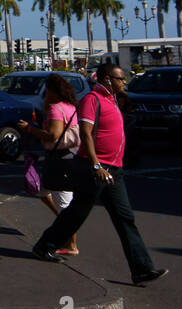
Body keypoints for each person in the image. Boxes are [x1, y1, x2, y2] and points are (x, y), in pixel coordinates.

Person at [32, 64, 168, 285]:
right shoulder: (92, 100)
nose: (124, 82)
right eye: (120, 79)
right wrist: (96, 166)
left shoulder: (112, 100)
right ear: (106, 79)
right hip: (94, 168)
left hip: (114, 170)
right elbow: (85, 133)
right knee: (77, 213)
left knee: (125, 218)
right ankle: (44, 246)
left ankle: (141, 268)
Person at [17, 72, 81, 256]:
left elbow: (53, 135)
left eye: (47, 91)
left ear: (53, 91)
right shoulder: (70, 106)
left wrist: (30, 129)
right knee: (43, 192)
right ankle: (64, 229)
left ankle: (71, 244)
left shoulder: (55, 109)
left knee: (64, 203)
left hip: (60, 158)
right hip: (68, 154)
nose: (45, 94)